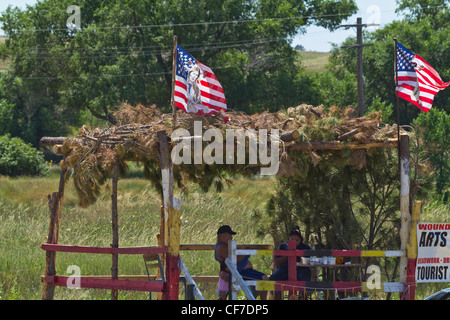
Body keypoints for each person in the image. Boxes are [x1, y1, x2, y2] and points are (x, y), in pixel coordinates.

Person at [214, 225, 268, 299]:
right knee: (263, 279)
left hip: (245, 271)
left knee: (264, 279)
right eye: (229, 235)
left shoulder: (224, 246)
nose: (231, 237)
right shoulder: (221, 248)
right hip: (241, 272)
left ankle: (253, 298)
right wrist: (246, 252)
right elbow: (236, 259)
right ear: (222, 236)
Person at [269, 226, 312, 300]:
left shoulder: (305, 247)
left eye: (297, 240)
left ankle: (303, 297)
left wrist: (299, 255)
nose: (294, 242)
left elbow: (311, 261)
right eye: (292, 240)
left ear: (300, 240)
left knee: (305, 280)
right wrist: (288, 255)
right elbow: (276, 261)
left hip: (301, 271)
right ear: (288, 239)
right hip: (284, 271)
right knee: (273, 279)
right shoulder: (283, 246)